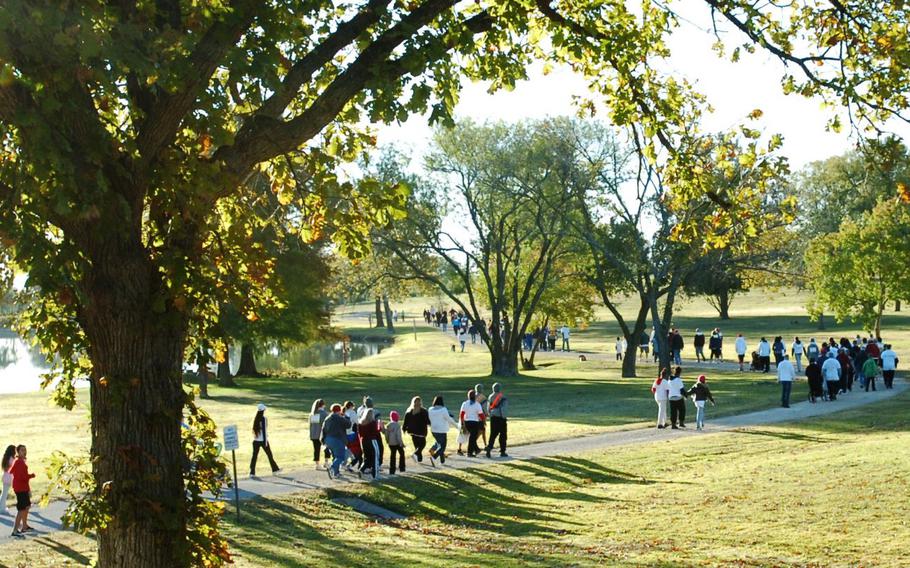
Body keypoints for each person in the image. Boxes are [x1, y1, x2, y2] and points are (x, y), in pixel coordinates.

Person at [9, 445, 35, 538]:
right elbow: (22, 477)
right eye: (22, 450)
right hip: (20, 489)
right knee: (21, 509)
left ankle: (24, 526)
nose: (24, 452)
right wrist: (31, 476)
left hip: (23, 487)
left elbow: (12, 471)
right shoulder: (19, 462)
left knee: (27, 506)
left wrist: (28, 488)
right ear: (18, 452)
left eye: (25, 450)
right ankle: (15, 530)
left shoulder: (19, 462)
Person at [321, 404, 351, 479]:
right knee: (340, 456)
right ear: (339, 410)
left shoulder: (327, 418)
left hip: (328, 439)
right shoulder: (339, 418)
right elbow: (348, 425)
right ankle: (332, 467)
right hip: (337, 439)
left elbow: (323, 429)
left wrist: (323, 441)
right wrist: (346, 416)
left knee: (335, 456)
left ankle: (336, 473)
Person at [250, 403, 280, 476]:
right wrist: (266, 442)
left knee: (254, 456)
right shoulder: (264, 419)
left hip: (255, 441)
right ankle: (275, 469)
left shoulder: (255, 418)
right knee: (269, 455)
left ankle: (252, 472)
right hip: (263, 440)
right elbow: (265, 430)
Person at [428, 396, 459, 466]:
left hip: (433, 430)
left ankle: (442, 461)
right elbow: (449, 419)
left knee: (439, 444)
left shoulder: (430, 409)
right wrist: (457, 426)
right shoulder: (443, 409)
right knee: (442, 447)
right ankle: (434, 457)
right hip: (441, 431)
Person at [403, 396, 431, 464]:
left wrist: (404, 429)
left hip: (412, 432)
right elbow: (427, 421)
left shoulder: (409, 411)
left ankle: (419, 459)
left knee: (417, 446)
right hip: (421, 431)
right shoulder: (423, 411)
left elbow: (405, 422)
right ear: (420, 402)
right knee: (423, 444)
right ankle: (416, 454)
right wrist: (430, 423)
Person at [485, 382, 508, 458]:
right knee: (503, 435)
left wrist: (490, 415)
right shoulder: (503, 397)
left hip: (493, 418)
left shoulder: (490, 397)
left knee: (493, 434)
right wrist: (504, 417)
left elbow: (488, 408)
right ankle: (502, 451)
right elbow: (504, 409)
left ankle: (489, 447)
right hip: (501, 418)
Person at [459, 390, 485, 457]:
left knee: (472, 437)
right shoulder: (477, 404)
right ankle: (469, 452)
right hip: (475, 423)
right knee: (472, 437)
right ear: (475, 397)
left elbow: (461, 414)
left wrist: (462, 423)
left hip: (467, 422)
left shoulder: (464, 403)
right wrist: (483, 421)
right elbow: (481, 415)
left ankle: (476, 450)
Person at [357, 408, 382, 478]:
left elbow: (359, 433)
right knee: (375, 457)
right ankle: (375, 474)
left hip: (364, 441)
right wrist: (379, 426)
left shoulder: (360, 423)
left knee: (367, 458)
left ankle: (361, 469)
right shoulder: (373, 423)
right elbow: (376, 432)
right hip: (372, 440)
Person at [309, 399, 330, 470]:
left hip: (314, 434)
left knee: (316, 449)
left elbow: (314, 425)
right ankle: (326, 462)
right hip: (322, 434)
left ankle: (317, 464)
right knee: (326, 448)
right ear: (323, 405)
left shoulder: (313, 413)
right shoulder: (324, 414)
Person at [1, 445, 15, 515]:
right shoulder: (11, 458)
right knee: (4, 494)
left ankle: (2, 507)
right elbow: (12, 467)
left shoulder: (5, 457)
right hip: (8, 477)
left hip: (5, 476)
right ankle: (1, 508)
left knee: (4, 493)